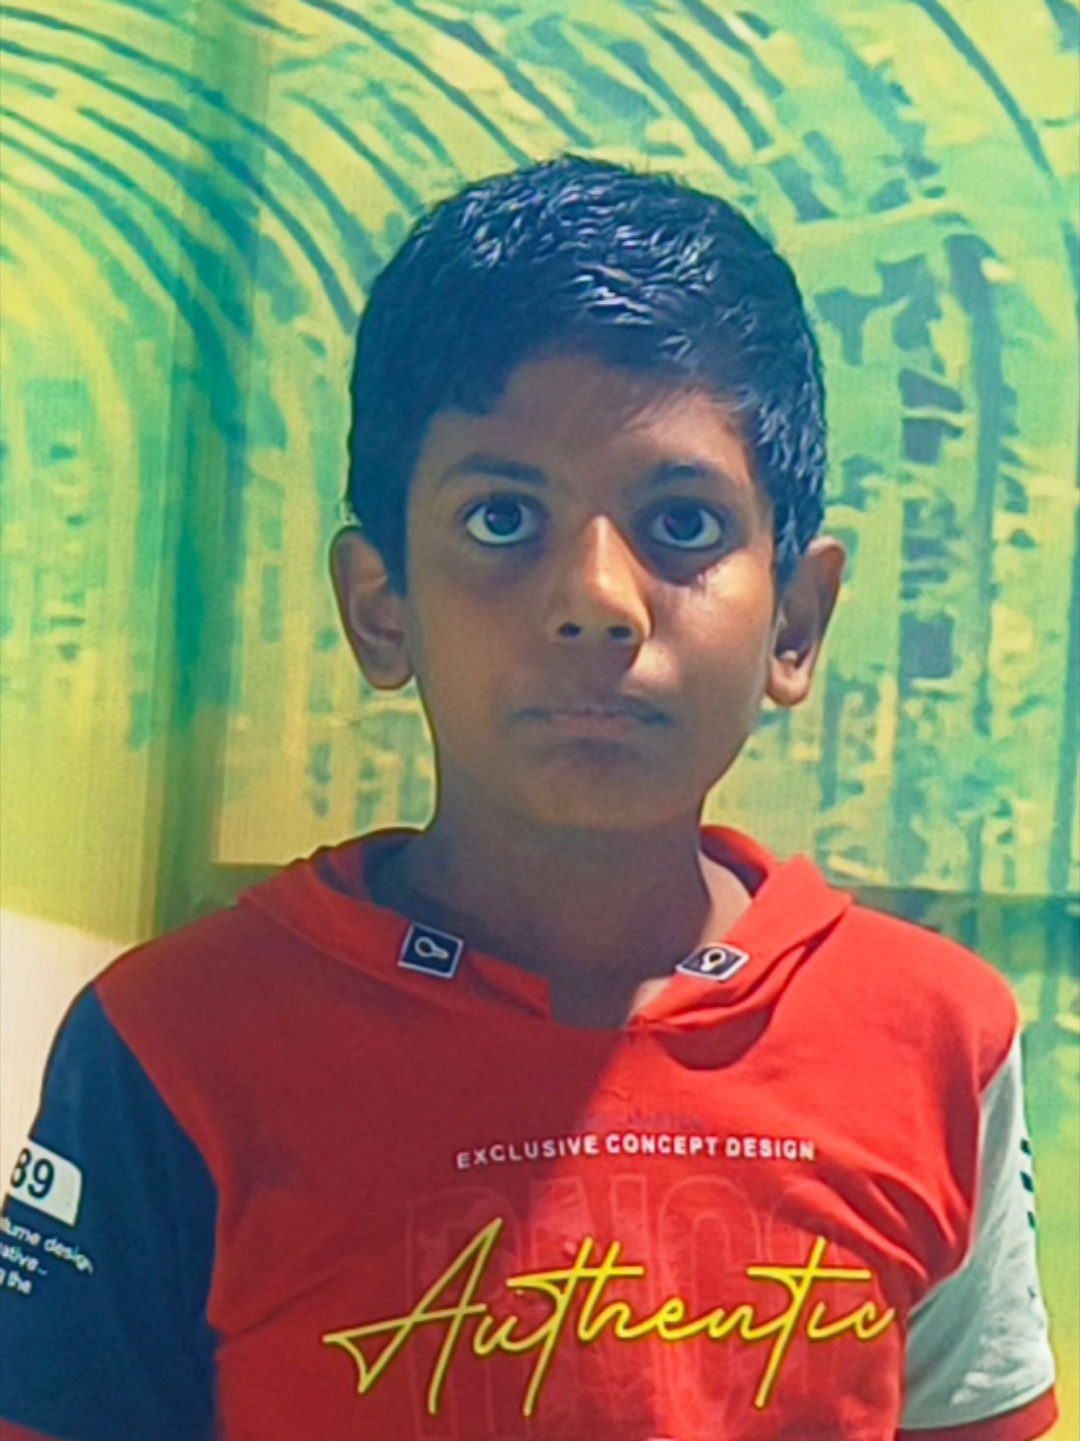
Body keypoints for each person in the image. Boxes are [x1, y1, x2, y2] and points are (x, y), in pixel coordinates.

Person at [0, 158, 1057, 1441]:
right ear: (380, 606)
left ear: (797, 618)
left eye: (682, 524)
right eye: (503, 518)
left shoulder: (937, 1038)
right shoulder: (172, 1048)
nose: (596, 599)